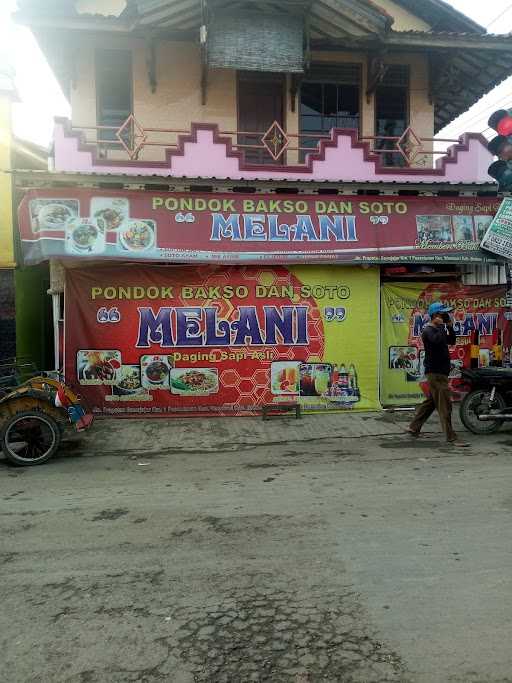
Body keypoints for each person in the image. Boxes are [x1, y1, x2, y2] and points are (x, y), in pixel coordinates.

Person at [407, 302, 470, 447]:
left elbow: (452, 340)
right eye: (443, 314)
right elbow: (437, 340)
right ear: (436, 315)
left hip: (440, 372)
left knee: (432, 402)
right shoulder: (428, 330)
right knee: (445, 406)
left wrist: (449, 326)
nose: (446, 316)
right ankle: (451, 437)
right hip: (435, 373)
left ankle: (414, 427)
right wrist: (441, 326)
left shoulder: (439, 329)